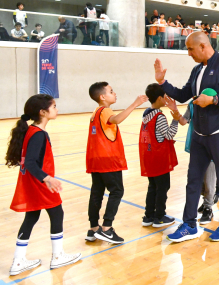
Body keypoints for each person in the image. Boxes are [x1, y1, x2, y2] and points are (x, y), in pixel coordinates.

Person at [155, 31, 219, 242]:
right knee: (193, 180)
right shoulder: (197, 69)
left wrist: (213, 101)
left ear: (203, 46)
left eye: (190, 49)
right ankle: (189, 224)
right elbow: (185, 93)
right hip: (199, 133)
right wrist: (162, 82)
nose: (188, 53)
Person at [7, 95, 81, 276]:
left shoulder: (31, 131)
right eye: (54, 106)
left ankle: (18, 260)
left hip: (32, 182)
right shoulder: (38, 134)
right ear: (43, 112)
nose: (57, 109)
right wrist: (47, 178)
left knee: (31, 217)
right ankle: (58, 257)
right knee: (57, 213)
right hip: (39, 183)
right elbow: (31, 163)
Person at [86, 82, 148, 244]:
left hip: (96, 159)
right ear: (102, 97)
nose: (115, 93)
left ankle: (93, 229)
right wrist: (135, 104)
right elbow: (116, 119)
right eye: (111, 91)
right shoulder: (105, 110)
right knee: (116, 191)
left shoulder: (95, 112)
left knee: (97, 192)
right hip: (107, 159)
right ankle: (107, 228)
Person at [139, 84, 180, 228]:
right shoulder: (159, 116)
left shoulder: (146, 113)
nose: (166, 99)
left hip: (149, 156)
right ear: (159, 98)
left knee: (152, 186)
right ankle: (159, 216)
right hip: (159, 157)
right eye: (164, 97)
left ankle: (148, 216)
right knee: (163, 187)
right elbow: (169, 135)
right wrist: (175, 120)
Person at [177, 101, 218, 226]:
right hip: (197, 145)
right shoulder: (193, 103)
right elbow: (184, 121)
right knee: (197, 181)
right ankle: (208, 201)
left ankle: (208, 208)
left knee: (209, 180)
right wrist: (175, 112)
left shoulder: (214, 100)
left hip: (211, 146)